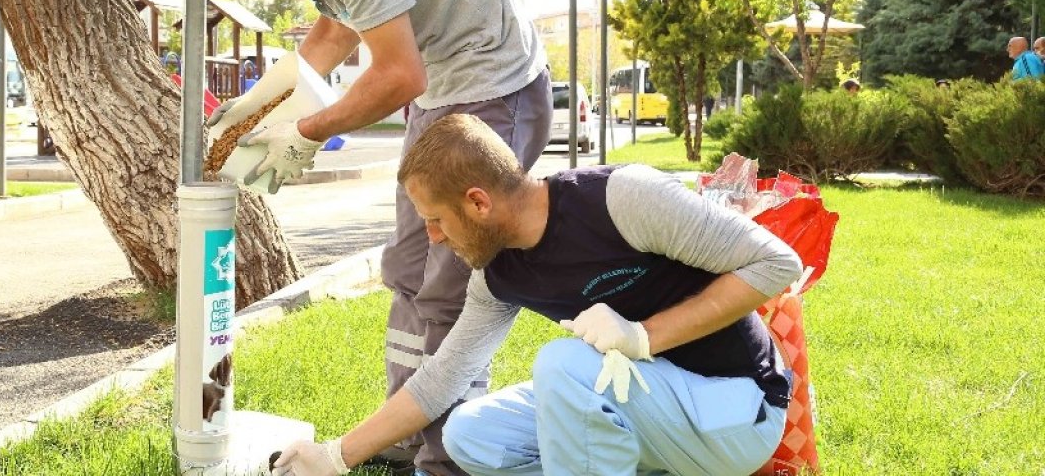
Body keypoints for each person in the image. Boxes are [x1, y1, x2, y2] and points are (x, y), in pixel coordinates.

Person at [173, 0, 552, 476]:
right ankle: (403, 427)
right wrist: (254, 114)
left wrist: (305, 129)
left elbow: (400, 74)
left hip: (494, 89)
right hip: (444, 96)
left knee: (450, 285)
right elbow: (332, 37)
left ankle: (449, 453)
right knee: (407, 266)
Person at [270, 114, 802, 476]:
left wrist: (643, 337)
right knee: (470, 434)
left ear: (477, 202)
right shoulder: (497, 273)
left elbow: (778, 262)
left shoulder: (621, 199)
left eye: (436, 220)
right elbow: (443, 379)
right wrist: (334, 458)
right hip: (655, 412)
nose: (433, 236)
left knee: (564, 364)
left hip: (736, 409)